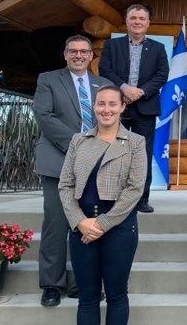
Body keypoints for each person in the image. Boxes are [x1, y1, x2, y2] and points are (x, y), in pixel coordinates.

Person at [32, 35, 111, 307]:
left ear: (92, 56)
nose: (78, 55)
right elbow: (44, 116)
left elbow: (110, 120)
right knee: (56, 224)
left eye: (84, 51)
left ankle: (82, 284)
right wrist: (78, 146)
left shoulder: (104, 85)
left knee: (86, 225)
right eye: (73, 51)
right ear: (65, 54)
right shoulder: (49, 79)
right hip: (58, 162)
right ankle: (52, 284)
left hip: (94, 167)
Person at [58, 84, 146, 325]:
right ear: (94, 107)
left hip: (118, 226)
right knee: (87, 297)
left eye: (112, 104)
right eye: (101, 104)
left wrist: (101, 224)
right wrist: (79, 221)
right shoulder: (79, 140)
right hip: (82, 225)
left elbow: (134, 189)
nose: (106, 109)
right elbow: (65, 185)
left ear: (122, 107)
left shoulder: (135, 142)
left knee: (117, 295)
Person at [98, 4, 169, 213]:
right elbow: (105, 69)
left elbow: (161, 75)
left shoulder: (157, 48)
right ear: (127, 21)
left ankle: (141, 199)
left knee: (142, 154)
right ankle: (109, 196)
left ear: (148, 23)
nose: (137, 22)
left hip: (145, 107)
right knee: (111, 150)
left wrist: (141, 92)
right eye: (133, 18)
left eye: (141, 18)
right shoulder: (112, 45)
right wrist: (124, 89)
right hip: (115, 107)